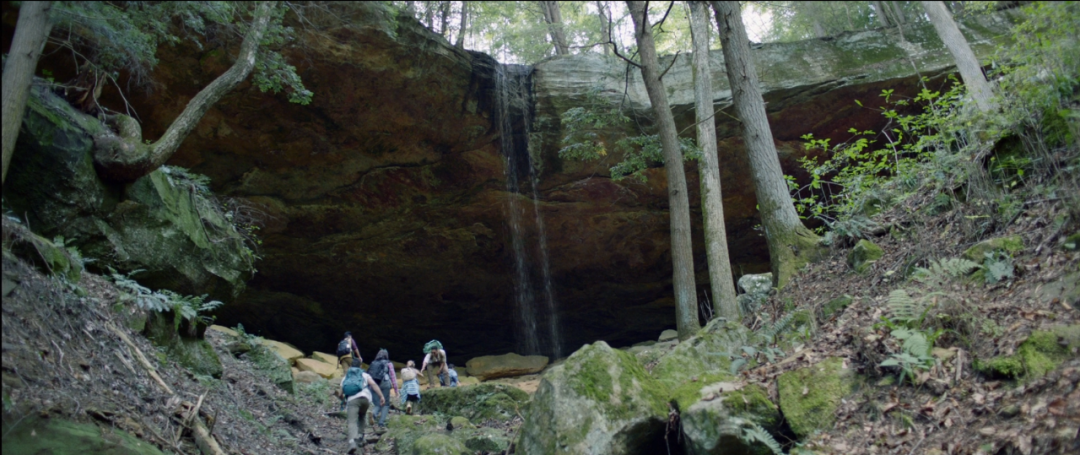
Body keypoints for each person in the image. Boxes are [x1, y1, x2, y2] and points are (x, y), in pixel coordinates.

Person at [339, 359, 384, 454]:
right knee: (362, 416)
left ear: (350, 366)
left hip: (353, 400)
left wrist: (342, 399)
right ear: (360, 366)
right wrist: (381, 396)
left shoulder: (346, 377)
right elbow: (373, 384)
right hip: (365, 399)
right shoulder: (364, 375)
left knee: (352, 422)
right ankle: (360, 436)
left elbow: (340, 393)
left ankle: (352, 442)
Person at [367, 349, 399, 428]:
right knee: (386, 404)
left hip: (374, 384)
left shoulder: (373, 363)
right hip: (385, 383)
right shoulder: (389, 363)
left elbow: (368, 375)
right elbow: (393, 377)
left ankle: (373, 415)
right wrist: (396, 390)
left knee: (377, 404)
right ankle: (381, 423)